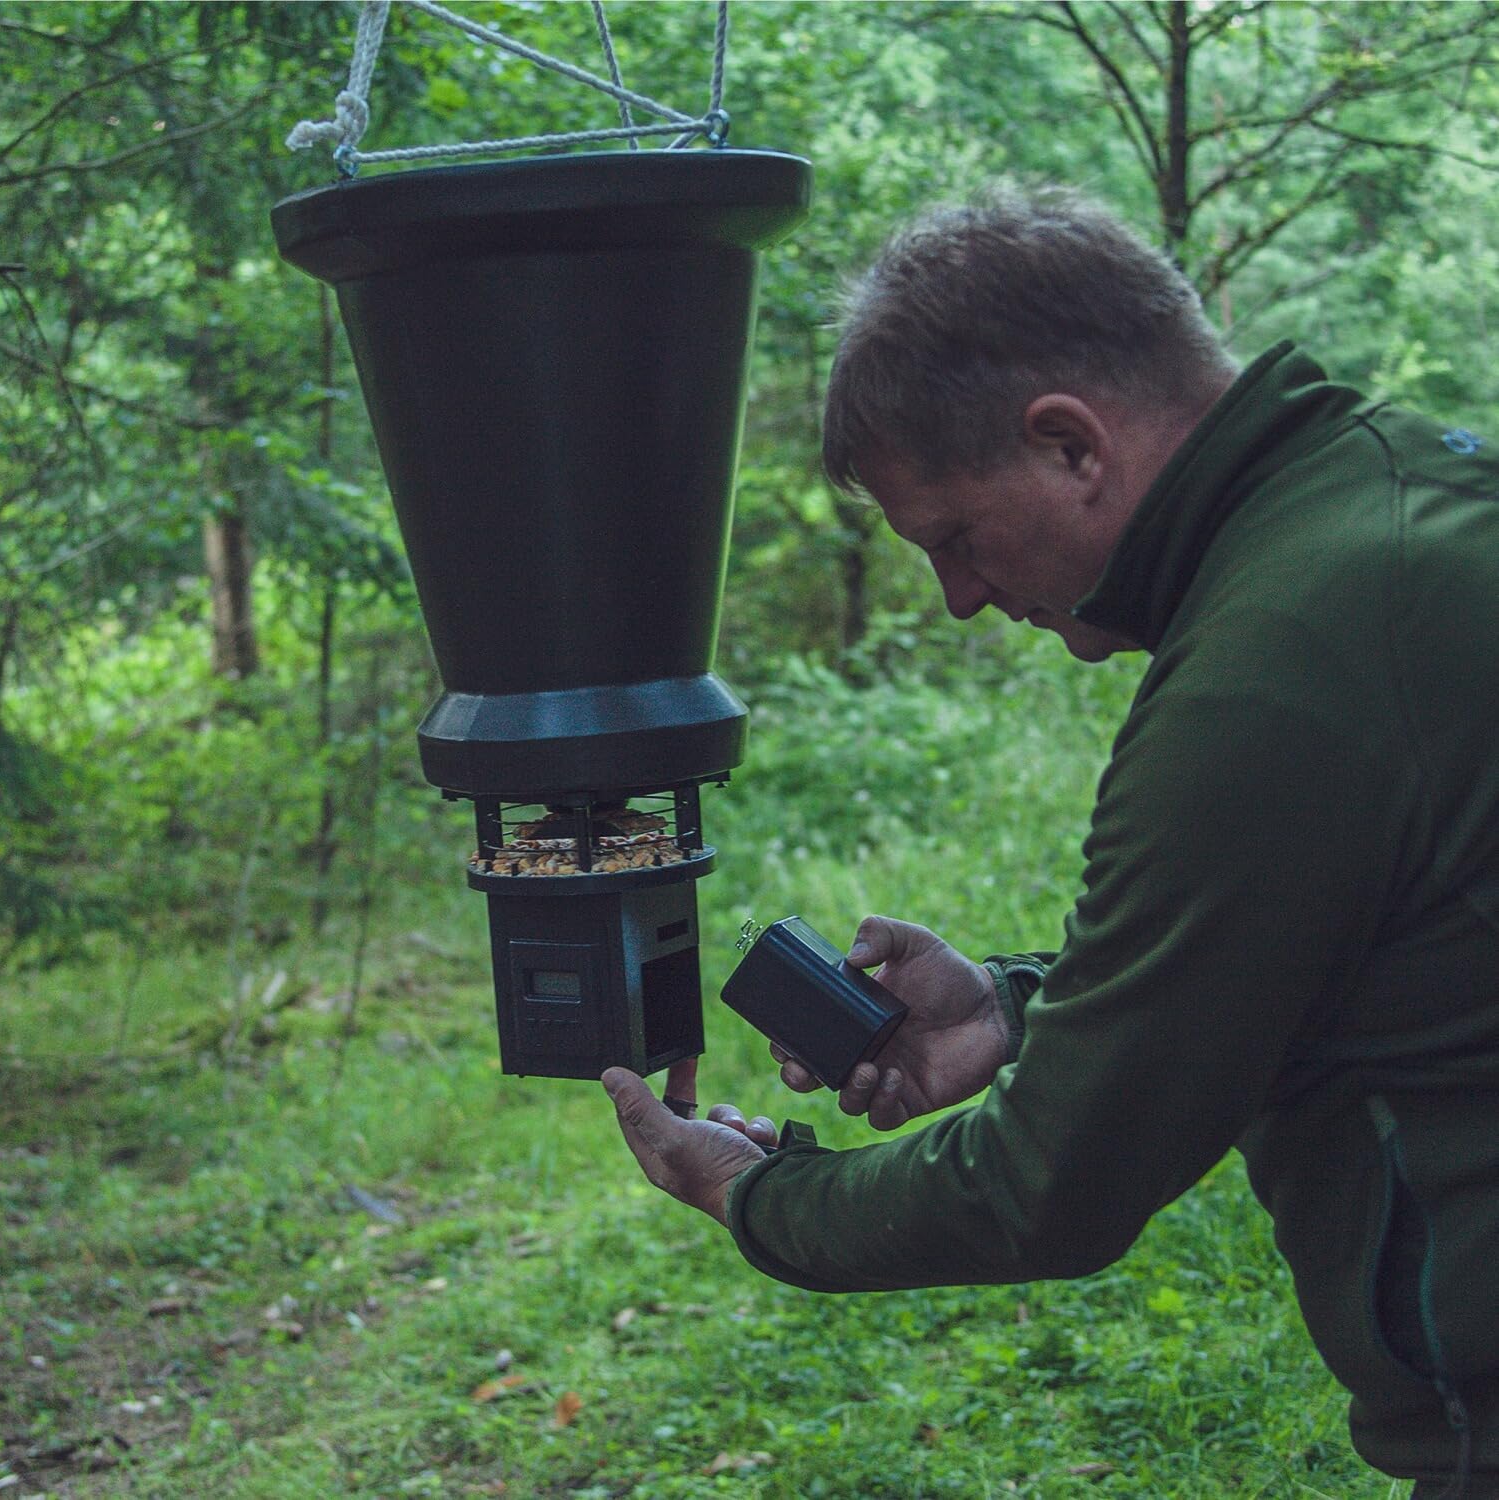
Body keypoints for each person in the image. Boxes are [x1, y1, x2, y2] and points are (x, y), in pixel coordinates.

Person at [601, 182, 1499, 1499]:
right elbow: (1352, 946)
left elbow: (1054, 1183)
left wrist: (758, 1193)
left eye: (956, 539)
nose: (961, 598)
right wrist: (1014, 1011)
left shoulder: (1277, 668)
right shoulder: (1407, 495)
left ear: (1072, 445)